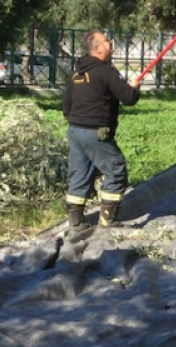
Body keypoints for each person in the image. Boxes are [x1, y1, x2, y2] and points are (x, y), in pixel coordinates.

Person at [62, 30, 141, 229]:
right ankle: (107, 218)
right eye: (106, 41)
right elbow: (128, 98)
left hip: (75, 132)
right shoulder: (106, 72)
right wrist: (134, 87)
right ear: (97, 48)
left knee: (79, 173)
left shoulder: (77, 74)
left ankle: (76, 221)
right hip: (96, 132)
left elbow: (66, 107)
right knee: (116, 169)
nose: (110, 43)